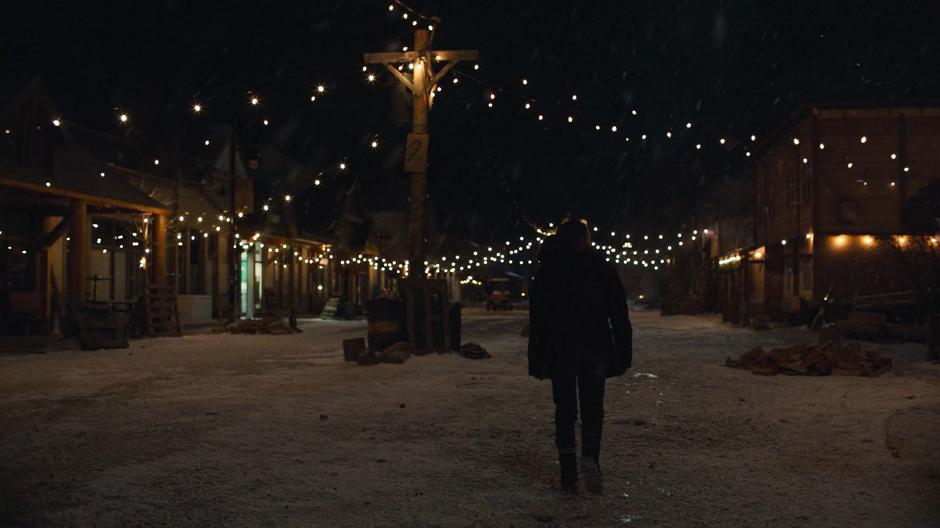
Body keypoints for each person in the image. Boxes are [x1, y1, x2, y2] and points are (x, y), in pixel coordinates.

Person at [528, 219, 632, 493]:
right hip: (594, 346)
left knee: (564, 410)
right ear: (584, 239)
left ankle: (568, 475)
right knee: (592, 407)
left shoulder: (548, 268)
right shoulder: (600, 266)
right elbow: (619, 313)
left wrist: (537, 355)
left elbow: (537, 317)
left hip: (559, 347)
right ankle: (590, 458)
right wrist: (623, 350)